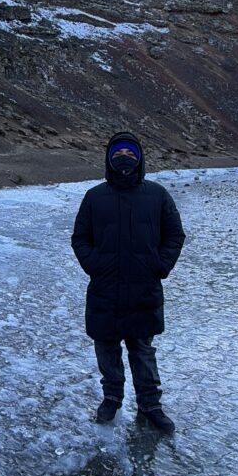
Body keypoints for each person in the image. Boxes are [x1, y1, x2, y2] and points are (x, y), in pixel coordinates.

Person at [71, 132, 185, 432]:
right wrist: (94, 264)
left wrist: (159, 265)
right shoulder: (94, 197)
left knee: (143, 350)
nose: (125, 158)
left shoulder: (157, 195)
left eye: (131, 154)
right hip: (104, 289)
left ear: (140, 159)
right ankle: (111, 398)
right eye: (119, 154)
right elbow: (80, 238)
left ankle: (150, 404)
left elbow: (175, 235)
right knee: (106, 347)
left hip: (143, 289)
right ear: (109, 159)